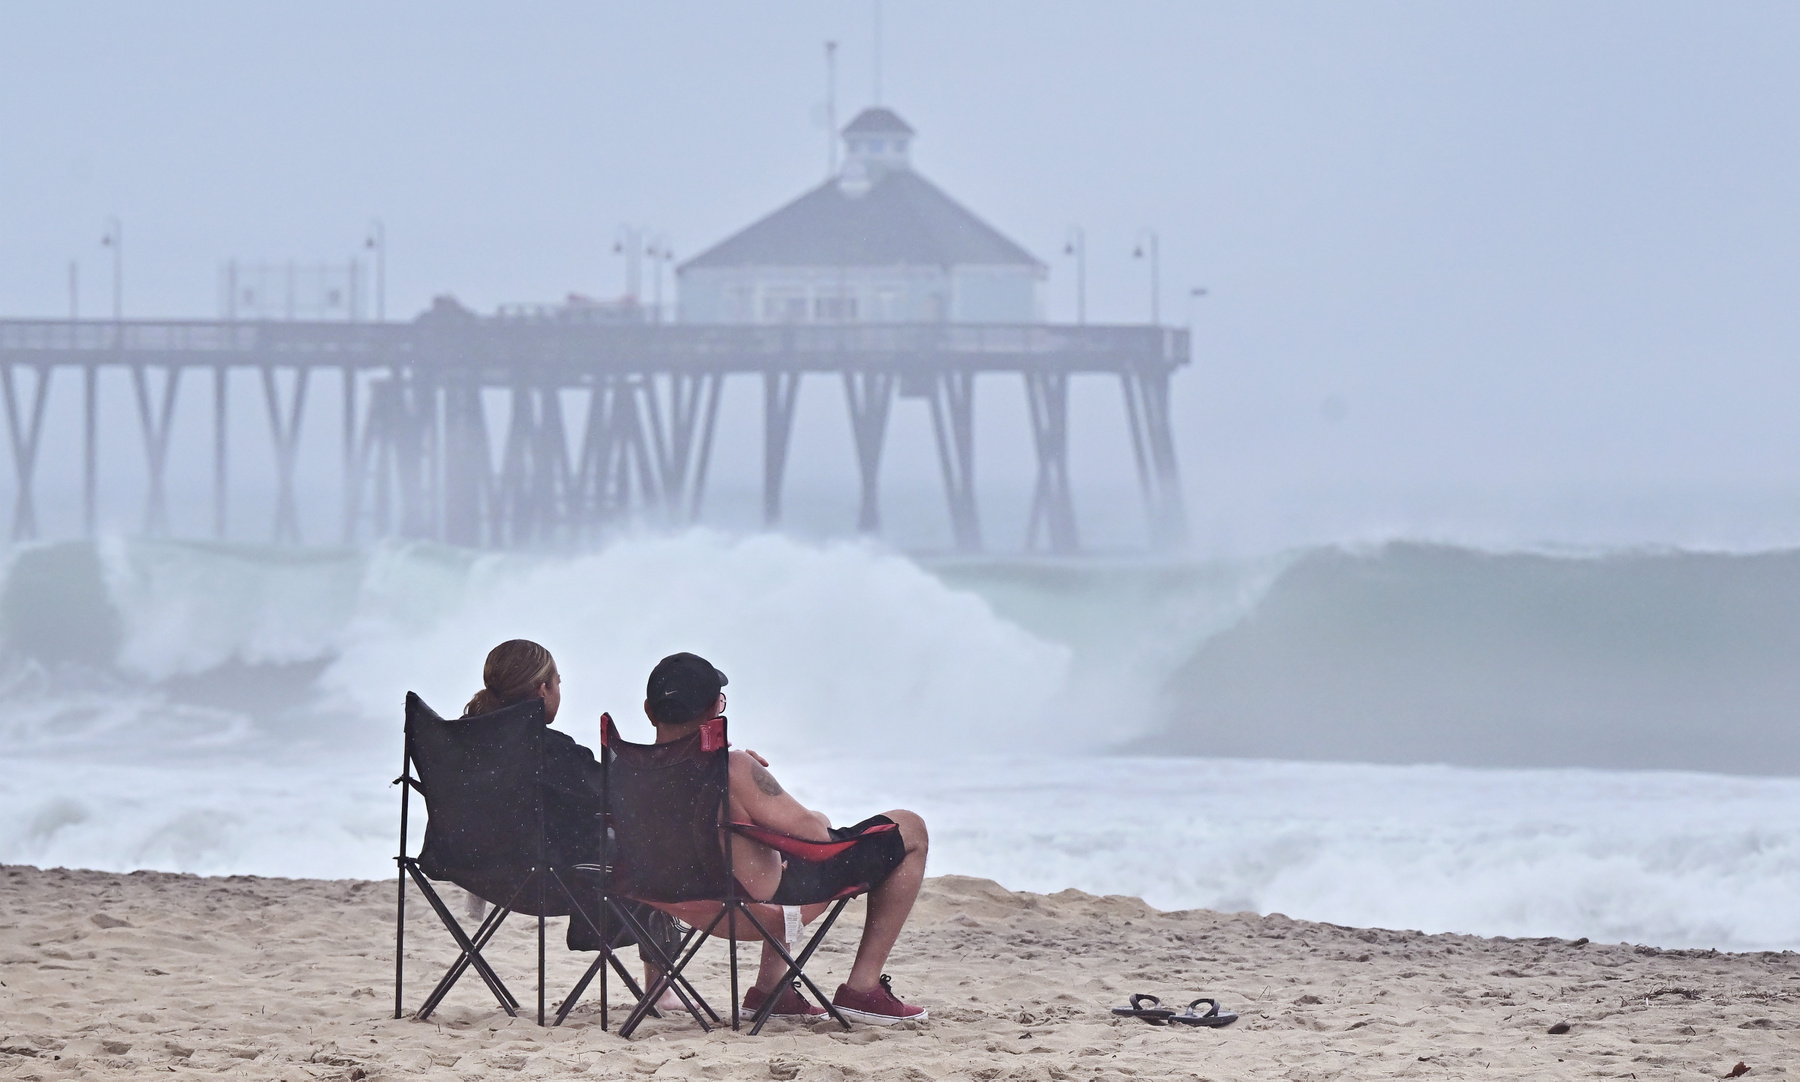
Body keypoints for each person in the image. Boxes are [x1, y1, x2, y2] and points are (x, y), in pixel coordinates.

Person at [641, 652, 930, 1025]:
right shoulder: (732, 768)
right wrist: (753, 780)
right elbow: (814, 836)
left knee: (797, 830)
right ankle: (863, 989)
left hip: (682, 906)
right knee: (910, 828)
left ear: (649, 711)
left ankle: (772, 990)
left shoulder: (628, 773)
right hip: (752, 914)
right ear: (716, 710)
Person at [461, 639, 682, 1011]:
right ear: (543, 689)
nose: (558, 691)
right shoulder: (548, 749)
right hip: (548, 878)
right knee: (652, 846)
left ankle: (661, 988)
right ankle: (661, 989)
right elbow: (617, 797)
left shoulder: (464, 744)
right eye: (558, 682)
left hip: (474, 868)